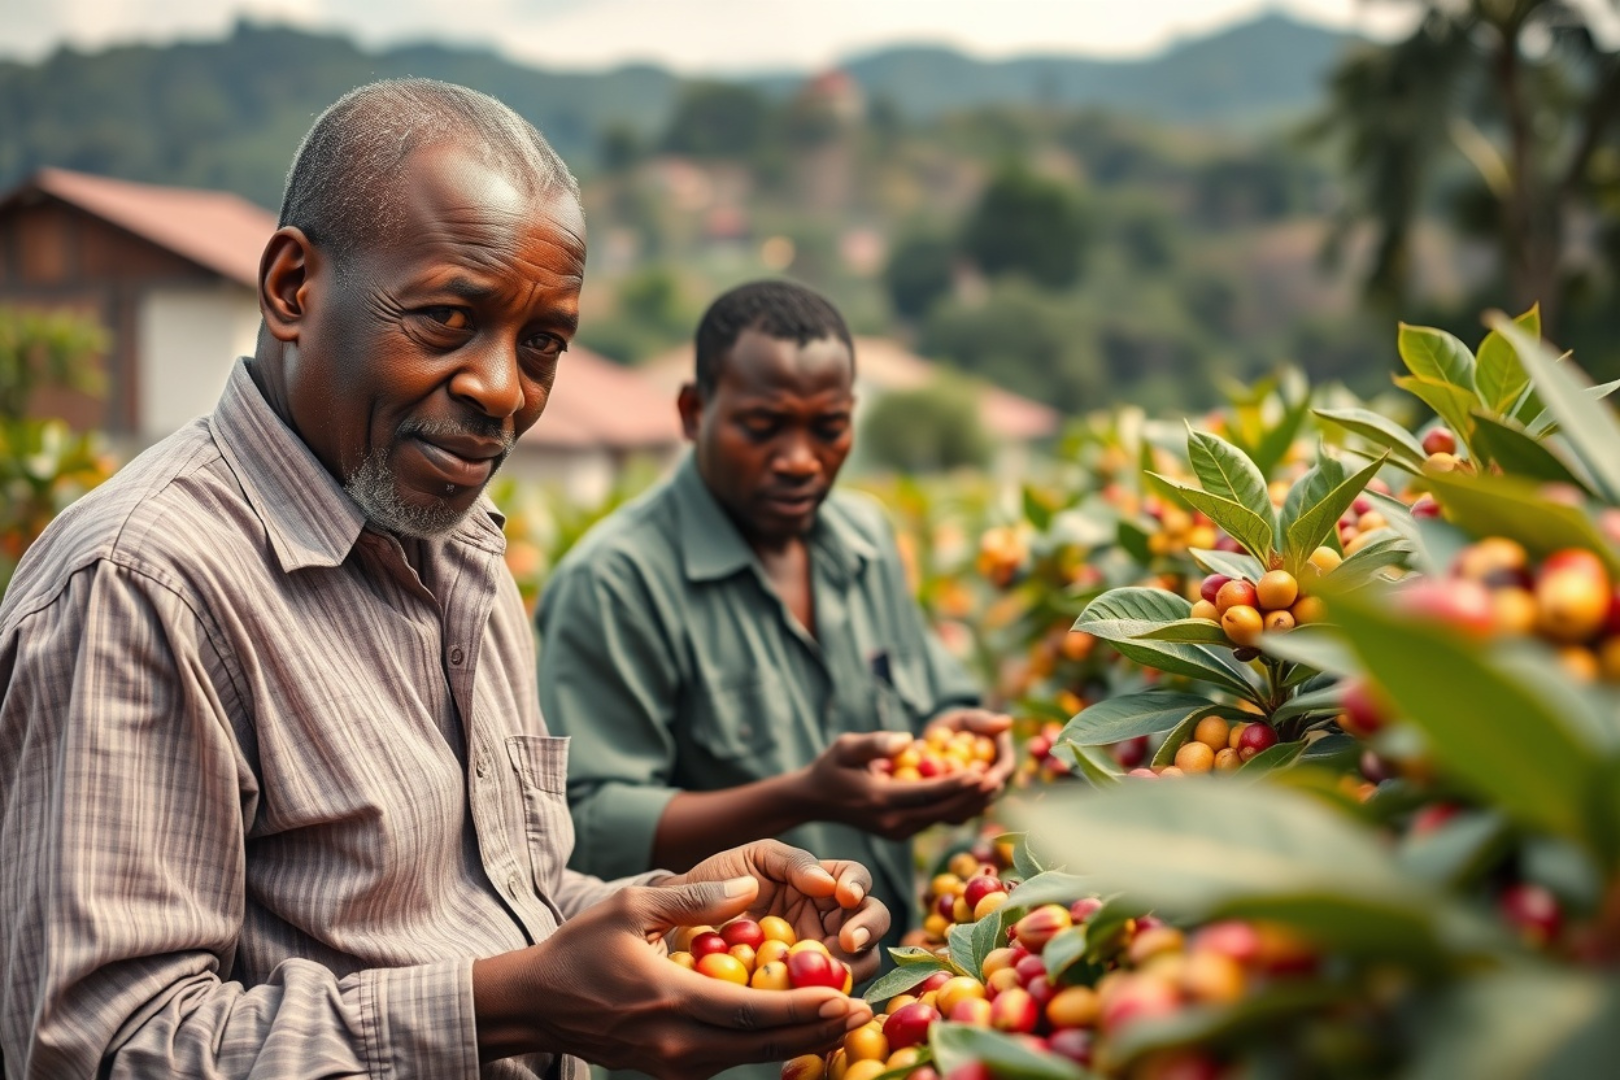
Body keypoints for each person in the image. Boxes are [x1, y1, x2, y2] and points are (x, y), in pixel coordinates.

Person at [0, 81, 888, 1080]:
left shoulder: (459, 550)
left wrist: (692, 914)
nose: (503, 390)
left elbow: (496, 906)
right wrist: (511, 1007)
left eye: (542, 342)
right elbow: (106, 1047)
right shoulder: (144, 587)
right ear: (292, 288)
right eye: (445, 317)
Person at [536, 280, 1015, 950]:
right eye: (763, 427)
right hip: (738, 985)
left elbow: (936, 699)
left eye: (829, 428)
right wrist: (804, 796)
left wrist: (959, 737)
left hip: (884, 968)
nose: (799, 460)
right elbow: (589, 823)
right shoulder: (616, 582)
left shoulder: (866, 541)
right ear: (694, 412)